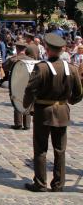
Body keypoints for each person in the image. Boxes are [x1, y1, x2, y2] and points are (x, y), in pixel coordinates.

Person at [23, 33, 83, 192]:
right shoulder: (71, 68)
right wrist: (70, 101)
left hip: (43, 112)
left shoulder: (41, 68)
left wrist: (25, 106)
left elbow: (30, 90)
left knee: (41, 149)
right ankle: (58, 184)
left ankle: (40, 183)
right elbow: (79, 92)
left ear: (47, 49)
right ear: (62, 49)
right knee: (60, 150)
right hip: (62, 112)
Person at [3, 40, 32, 130]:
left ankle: (18, 123)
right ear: (25, 49)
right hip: (28, 84)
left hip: (16, 83)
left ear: (16, 48)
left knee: (17, 101)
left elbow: (4, 66)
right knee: (27, 102)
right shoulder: (30, 59)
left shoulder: (13, 59)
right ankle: (27, 124)